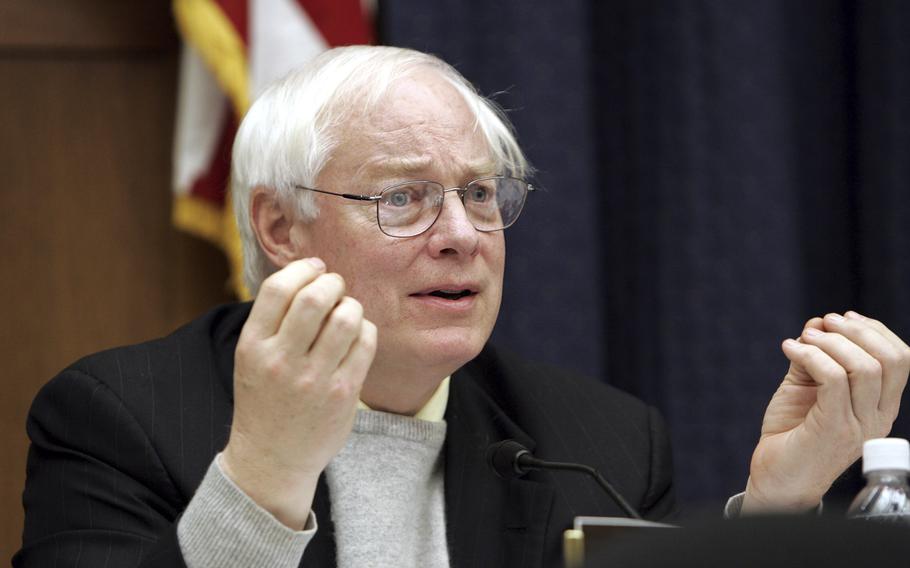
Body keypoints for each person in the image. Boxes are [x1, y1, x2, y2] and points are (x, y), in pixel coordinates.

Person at [15, 45, 910, 567]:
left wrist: (780, 507)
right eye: (403, 198)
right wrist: (262, 481)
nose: (462, 235)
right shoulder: (118, 419)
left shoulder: (599, 440)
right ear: (280, 225)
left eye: (482, 194)